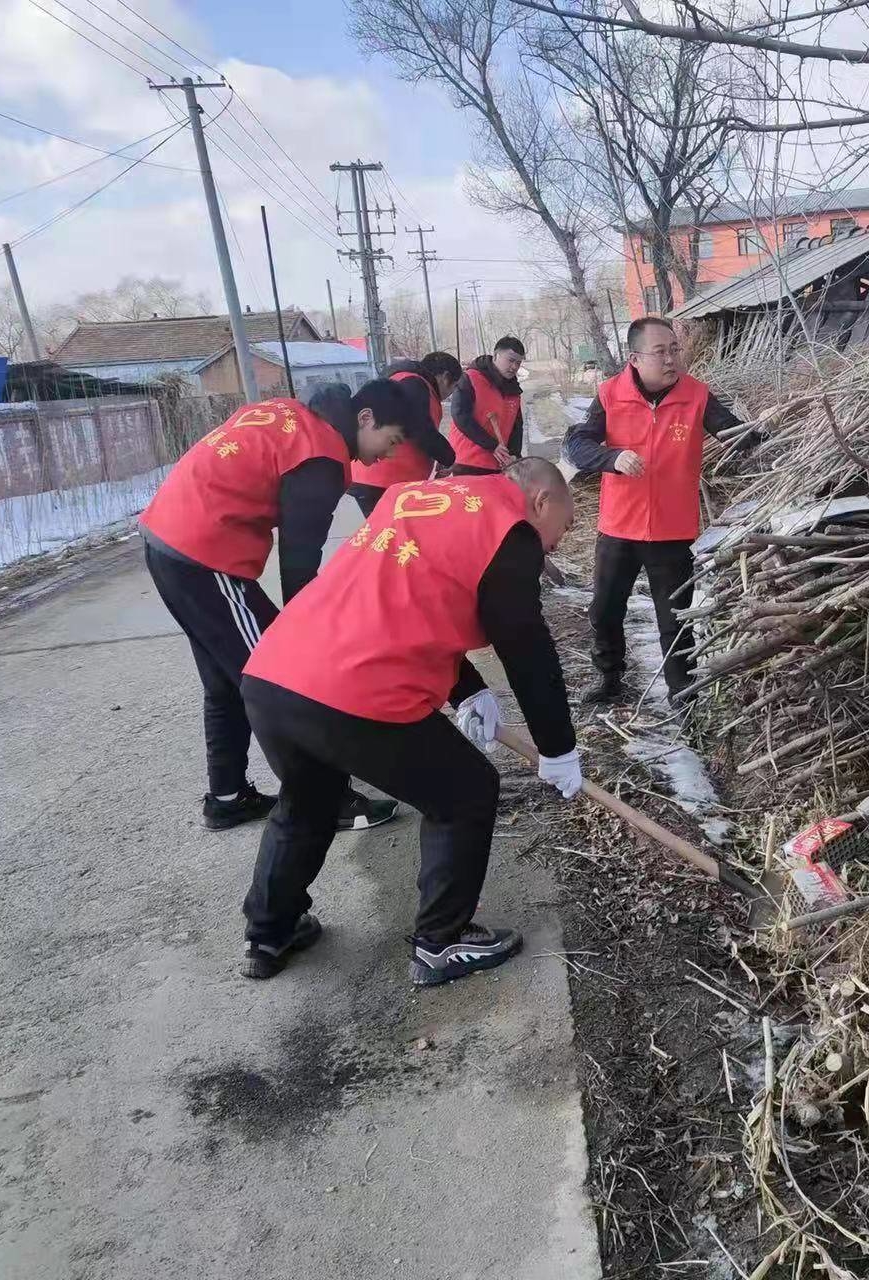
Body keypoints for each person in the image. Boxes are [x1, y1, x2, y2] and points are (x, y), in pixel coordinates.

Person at [235, 458, 584, 986]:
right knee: (464, 792)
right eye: (567, 523)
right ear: (541, 502)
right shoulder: (509, 534)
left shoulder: (420, 498)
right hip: (351, 688)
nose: (561, 539)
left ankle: (268, 931)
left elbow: (409, 597)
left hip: (275, 674)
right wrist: (558, 747)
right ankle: (441, 943)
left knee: (308, 797)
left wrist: (469, 689)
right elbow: (527, 649)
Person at [141, 380, 426, 833]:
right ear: (365, 419)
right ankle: (327, 800)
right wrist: (310, 636)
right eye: (390, 441)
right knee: (281, 680)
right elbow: (299, 563)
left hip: (168, 538)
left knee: (224, 679)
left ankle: (227, 797)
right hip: (204, 553)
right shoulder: (321, 454)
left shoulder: (292, 415)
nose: (386, 456)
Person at [564, 316, 752, 704]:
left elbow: (737, 435)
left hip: (672, 529)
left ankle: (682, 694)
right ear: (635, 358)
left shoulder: (697, 396)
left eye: (674, 350)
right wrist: (611, 458)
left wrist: (764, 438)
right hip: (618, 526)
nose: (671, 360)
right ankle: (611, 678)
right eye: (660, 352)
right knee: (604, 610)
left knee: (675, 619)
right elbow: (577, 445)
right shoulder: (610, 394)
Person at [346, 351, 463, 517]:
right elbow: (420, 428)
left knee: (391, 535)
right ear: (445, 377)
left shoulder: (410, 383)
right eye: (454, 386)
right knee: (393, 536)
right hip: (383, 479)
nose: (451, 394)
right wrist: (447, 456)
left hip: (383, 479)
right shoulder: (414, 382)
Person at [449, 336, 525, 475]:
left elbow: (516, 426)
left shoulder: (514, 390)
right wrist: (492, 446)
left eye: (518, 363)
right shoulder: (471, 378)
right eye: (511, 360)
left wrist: (515, 456)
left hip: (499, 464)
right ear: (496, 355)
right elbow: (460, 415)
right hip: (467, 462)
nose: (514, 367)